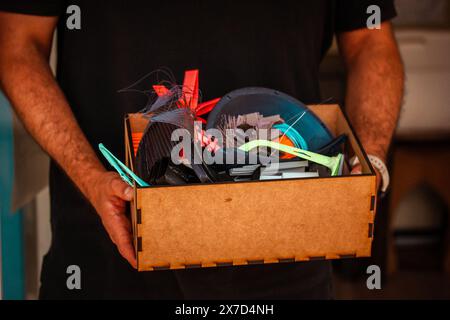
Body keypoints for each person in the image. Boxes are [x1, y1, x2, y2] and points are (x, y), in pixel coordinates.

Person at [0, 1, 404, 299]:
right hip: (109, 254)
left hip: (287, 259)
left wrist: (367, 161)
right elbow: (17, 45)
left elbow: (372, 42)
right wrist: (90, 176)